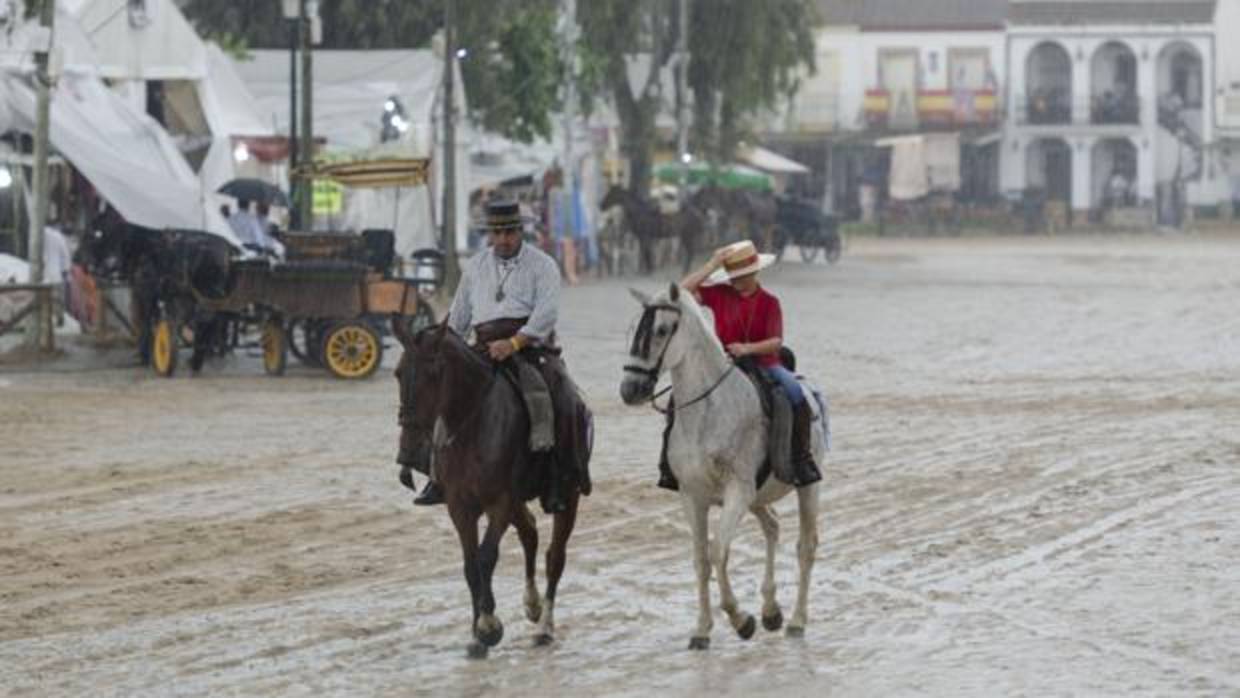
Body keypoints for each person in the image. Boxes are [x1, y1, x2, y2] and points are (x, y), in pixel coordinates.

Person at [408, 199, 584, 513]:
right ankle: (437, 475)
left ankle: (559, 476)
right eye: (497, 233)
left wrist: (514, 343)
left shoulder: (543, 265)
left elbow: (546, 314)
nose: (503, 239)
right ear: (489, 233)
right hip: (482, 348)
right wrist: (443, 346)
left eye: (510, 232)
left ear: (521, 231)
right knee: (440, 397)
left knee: (561, 399)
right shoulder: (475, 266)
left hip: (531, 349)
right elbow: (460, 316)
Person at [658, 239, 822, 490]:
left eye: (742, 275)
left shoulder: (770, 302)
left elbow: (776, 342)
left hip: (764, 363)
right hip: (724, 363)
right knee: (676, 399)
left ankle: (801, 459)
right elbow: (680, 293)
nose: (736, 280)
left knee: (794, 392)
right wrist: (711, 265)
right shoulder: (719, 293)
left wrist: (748, 348)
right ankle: (668, 465)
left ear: (755, 272)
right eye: (733, 275)